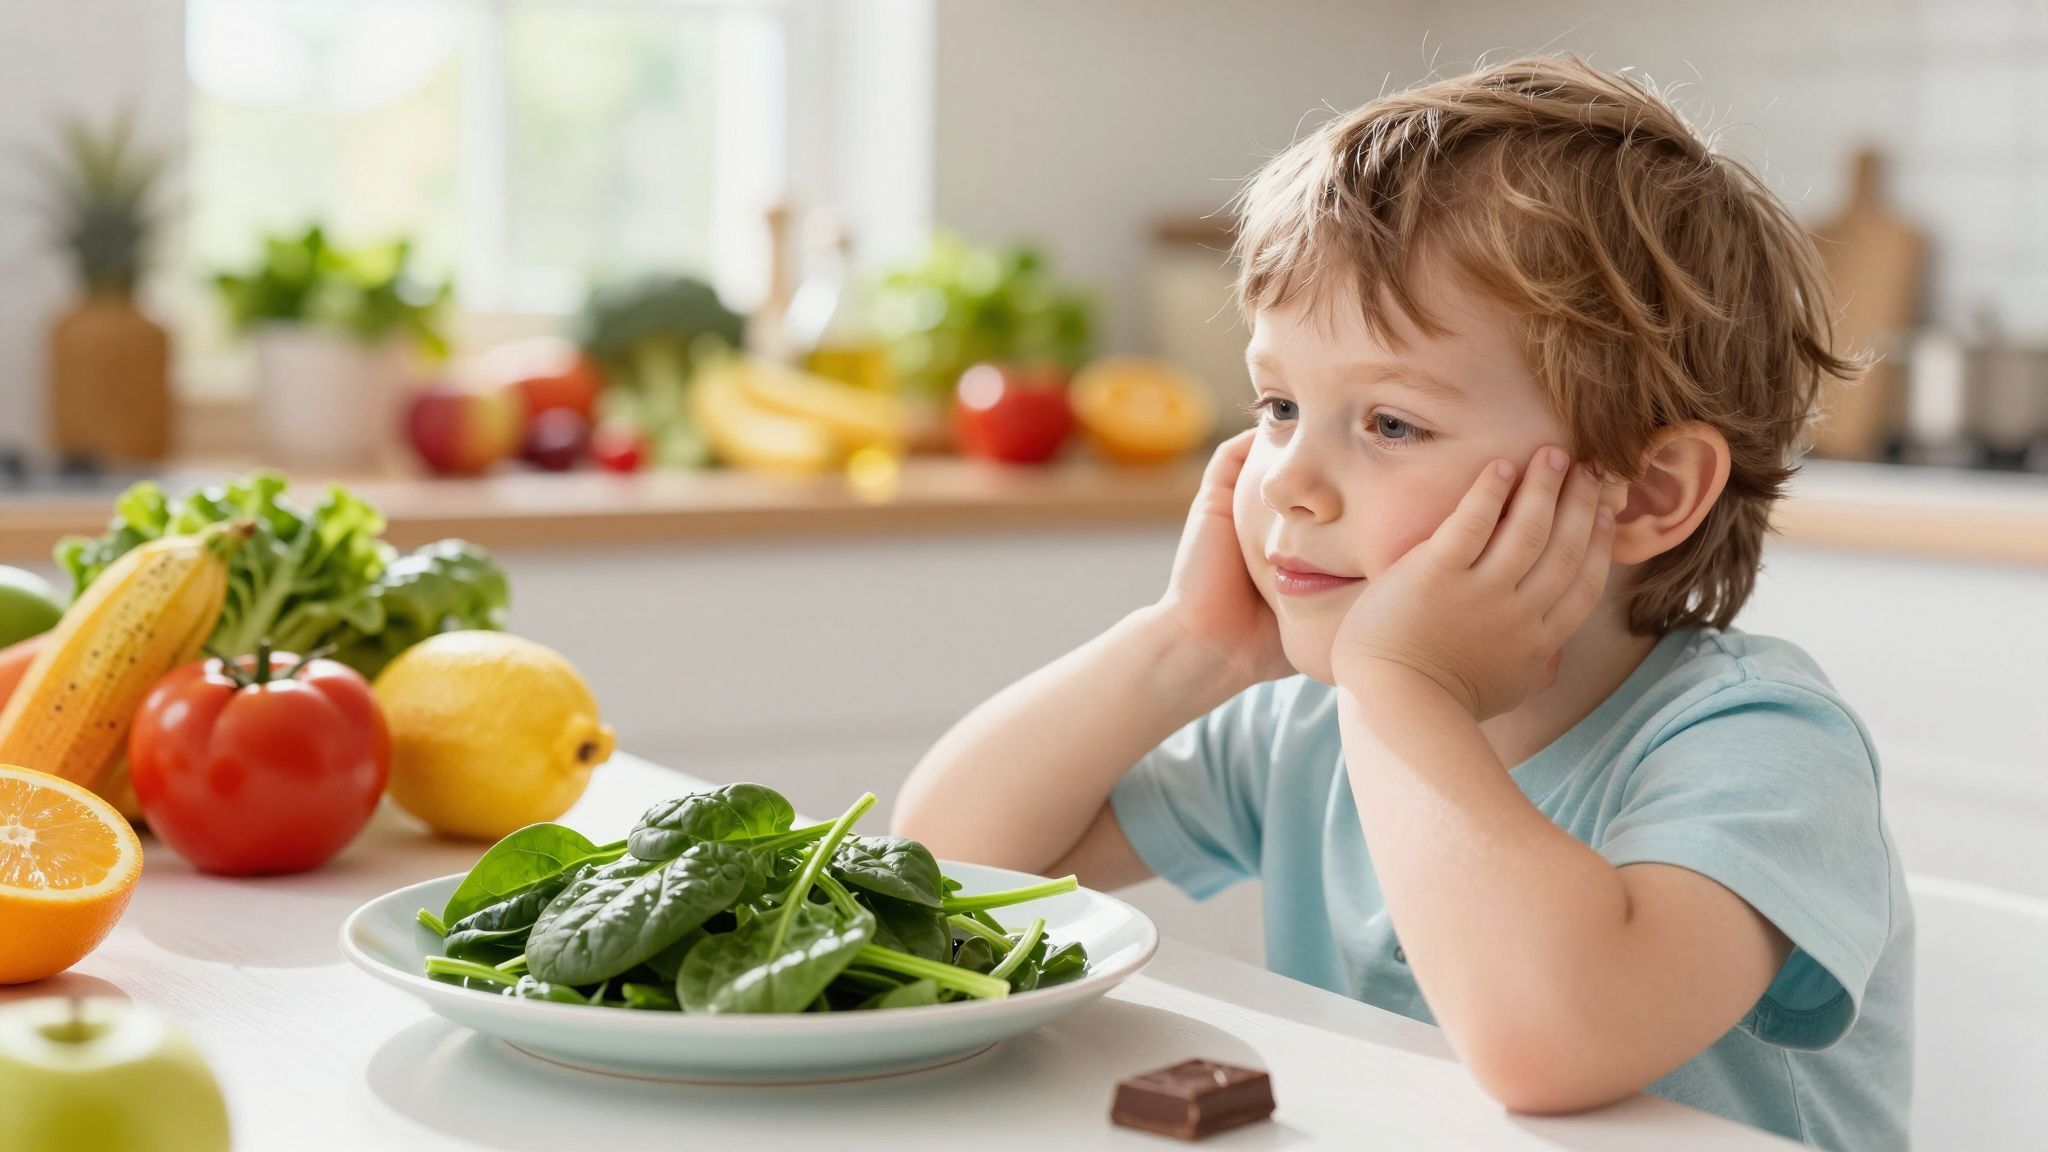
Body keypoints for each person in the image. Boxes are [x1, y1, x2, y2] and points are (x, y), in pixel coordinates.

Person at [894, 55, 1911, 1151]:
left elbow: (1547, 1045)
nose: (1286, 478)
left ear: (1647, 492)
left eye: (1389, 424)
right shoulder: (1309, 725)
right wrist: (1182, 648)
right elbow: (943, 876)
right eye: (1278, 403)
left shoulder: (1757, 748)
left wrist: (1399, 684)